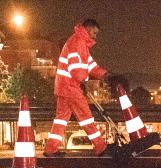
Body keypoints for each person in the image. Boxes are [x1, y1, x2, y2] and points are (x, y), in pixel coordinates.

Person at [44, 18, 112, 157]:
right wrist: (86, 79)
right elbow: (76, 70)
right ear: (87, 29)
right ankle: (100, 146)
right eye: (94, 32)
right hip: (71, 88)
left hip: (64, 87)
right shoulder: (78, 43)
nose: (95, 36)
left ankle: (51, 149)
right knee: (86, 117)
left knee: (61, 119)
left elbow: (90, 65)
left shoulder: (79, 42)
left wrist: (104, 74)